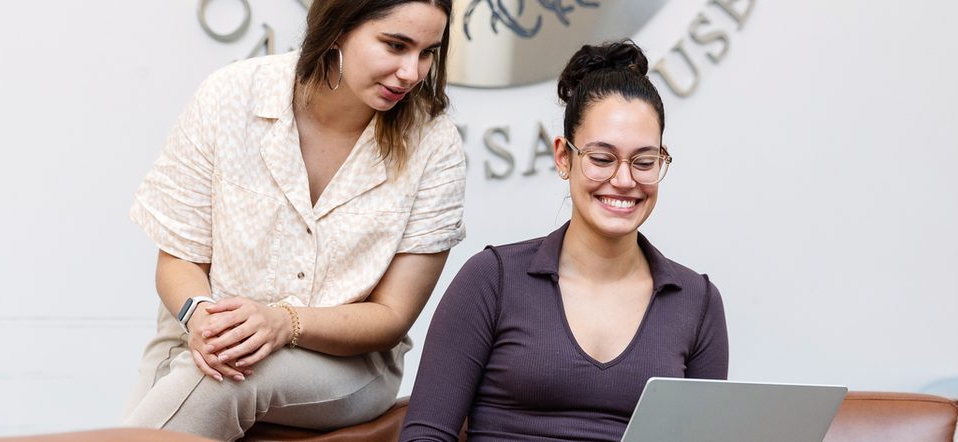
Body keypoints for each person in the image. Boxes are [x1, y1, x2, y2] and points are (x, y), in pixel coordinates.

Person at [121, 1, 465, 439]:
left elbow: (392, 315)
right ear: (338, 27)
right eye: (395, 45)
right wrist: (202, 317)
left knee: (229, 376)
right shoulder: (230, 96)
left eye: (426, 52)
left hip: (347, 365)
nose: (412, 72)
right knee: (198, 378)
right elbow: (178, 259)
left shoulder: (433, 143)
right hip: (195, 337)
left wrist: (284, 322)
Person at [399, 40, 729, 442]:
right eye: (602, 158)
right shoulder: (492, 280)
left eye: (644, 161)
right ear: (563, 157)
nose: (624, 180)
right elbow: (425, 435)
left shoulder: (697, 301)